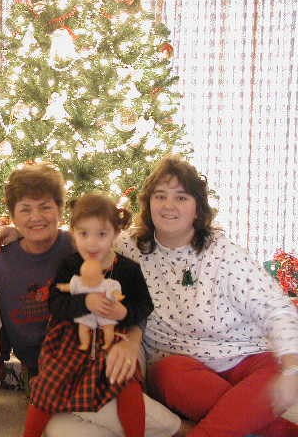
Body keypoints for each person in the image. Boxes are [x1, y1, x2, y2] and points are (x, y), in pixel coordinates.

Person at [113, 155, 298, 436]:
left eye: (181, 198)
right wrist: (20, 237)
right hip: (181, 368)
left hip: (247, 358)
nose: (168, 206)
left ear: (197, 209)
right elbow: (81, 247)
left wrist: (293, 369)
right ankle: (269, 426)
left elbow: (276, 308)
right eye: (160, 196)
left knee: (274, 373)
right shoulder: (129, 248)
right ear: (148, 204)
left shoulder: (224, 254)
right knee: (168, 374)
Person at [0, 167, 183, 437]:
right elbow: (54, 303)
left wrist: (125, 315)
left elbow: (143, 305)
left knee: (122, 390)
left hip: (110, 344)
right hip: (64, 351)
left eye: (45, 207)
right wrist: (85, 304)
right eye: (25, 210)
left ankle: (168, 429)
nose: (92, 242)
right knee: (58, 424)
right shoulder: (64, 261)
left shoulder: (108, 259)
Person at [0, 163, 75, 378]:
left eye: (45, 207)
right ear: (13, 216)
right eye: (25, 209)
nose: (36, 217)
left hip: (79, 356)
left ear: (60, 211)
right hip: (37, 368)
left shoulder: (77, 247)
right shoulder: (1, 263)